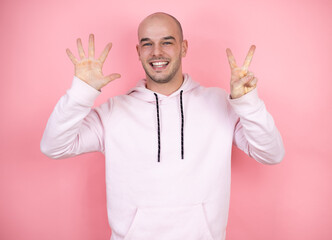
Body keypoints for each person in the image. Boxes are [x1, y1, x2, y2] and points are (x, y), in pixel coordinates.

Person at [41, 12, 284, 240]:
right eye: (147, 43)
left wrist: (247, 102)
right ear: (138, 51)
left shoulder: (220, 103)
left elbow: (271, 153)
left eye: (167, 42)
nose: (156, 52)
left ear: (184, 47)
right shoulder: (114, 111)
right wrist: (81, 93)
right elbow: (54, 146)